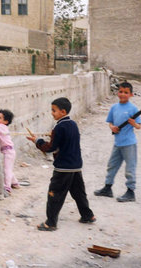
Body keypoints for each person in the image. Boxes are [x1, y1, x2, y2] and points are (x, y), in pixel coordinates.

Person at [27, 97, 96, 231]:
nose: (52, 113)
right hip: (75, 166)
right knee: (79, 193)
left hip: (63, 168)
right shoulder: (73, 124)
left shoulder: (59, 127)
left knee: (54, 194)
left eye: (54, 110)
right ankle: (88, 215)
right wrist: (52, 136)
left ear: (63, 112)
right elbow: (64, 142)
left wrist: (37, 141)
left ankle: (51, 223)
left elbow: (51, 148)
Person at [94, 82, 141, 202]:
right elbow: (110, 122)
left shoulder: (133, 108)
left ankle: (130, 192)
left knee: (130, 167)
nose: (122, 94)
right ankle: (107, 188)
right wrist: (112, 127)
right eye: (121, 91)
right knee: (112, 165)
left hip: (129, 144)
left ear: (131, 94)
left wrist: (133, 123)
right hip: (117, 143)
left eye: (126, 92)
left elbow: (139, 126)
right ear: (117, 92)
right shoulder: (114, 107)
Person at [0, 109, 19, 195]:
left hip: (8, 151)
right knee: (8, 167)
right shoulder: (1, 125)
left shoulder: (2, 127)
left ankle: (7, 187)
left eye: (0, 118)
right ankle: (15, 183)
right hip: (8, 151)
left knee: (7, 169)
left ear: (6, 121)